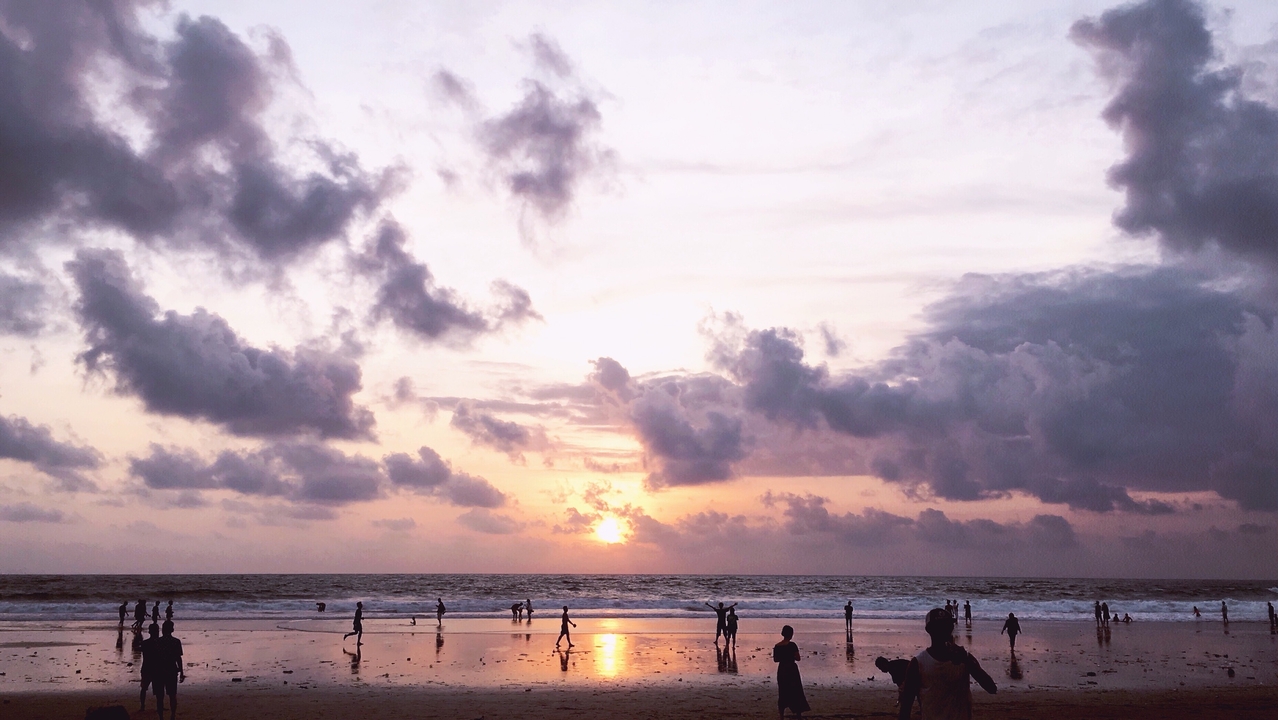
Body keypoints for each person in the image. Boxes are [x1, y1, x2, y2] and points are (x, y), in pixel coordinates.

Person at [898, 608, 997, 720]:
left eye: (947, 626)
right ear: (930, 630)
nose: (945, 630)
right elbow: (906, 706)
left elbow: (991, 688)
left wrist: (967, 661)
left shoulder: (964, 658)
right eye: (940, 627)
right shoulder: (918, 663)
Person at [773, 625, 810, 719]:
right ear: (791, 634)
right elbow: (798, 658)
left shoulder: (777, 646)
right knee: (796, 691)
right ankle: (798, 713)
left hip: (782, 669)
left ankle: (781, 714)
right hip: (791, 669)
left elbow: (776, 660)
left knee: (782, 691)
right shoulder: (792, 645)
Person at [157, 620, 184, 720]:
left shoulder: (158, 642)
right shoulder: (176, 642)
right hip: (172, 670)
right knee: (172, 695)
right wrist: (181, 672)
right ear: (172, 630)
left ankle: (161, 717)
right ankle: (172, 715)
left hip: (159, 670)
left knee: (160, 696)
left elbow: (155, 658)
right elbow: (178, 658)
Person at [139, 623, 162, 716]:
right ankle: (159, 706)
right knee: (159, 690)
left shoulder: (144, 643)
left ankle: (142, 706)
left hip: (146, 667)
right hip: (157, 668)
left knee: (144, 688)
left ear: (149, 632)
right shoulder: (160, 643)